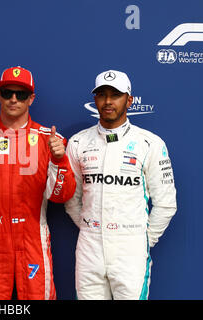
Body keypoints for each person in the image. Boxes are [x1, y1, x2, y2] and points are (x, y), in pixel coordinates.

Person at [0, 66, 76, 300]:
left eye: (21, 94)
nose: (14, 99)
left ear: (31, 99)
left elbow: (62, 195)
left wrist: (60, 161)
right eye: (8, 93)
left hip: (33, 243)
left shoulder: (51, 140)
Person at [64, 70, 177, 300]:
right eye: (102, 95)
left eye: (115, 95)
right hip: (89, 246)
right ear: (94, 99)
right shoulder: (78, 142)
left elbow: (166, 204)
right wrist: (92, 228)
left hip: (131, 247)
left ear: (129, 99)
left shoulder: (150, 143)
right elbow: (71, 199)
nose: (107, 101)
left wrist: (142, 239)